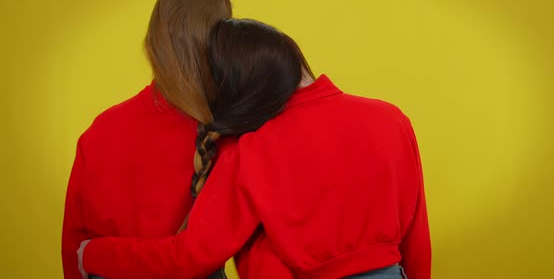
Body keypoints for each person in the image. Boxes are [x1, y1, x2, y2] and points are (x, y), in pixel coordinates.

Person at [77, 18, 432, 279]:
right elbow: (417, 241)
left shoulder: (249, 146)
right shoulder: (391, 119)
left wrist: (93, 253)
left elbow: (193, 256)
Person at [62, 0, 232, 279]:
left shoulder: (101, 129)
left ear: (153, 40)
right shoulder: (224, 135)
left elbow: (74, 250)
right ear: (220, 48)